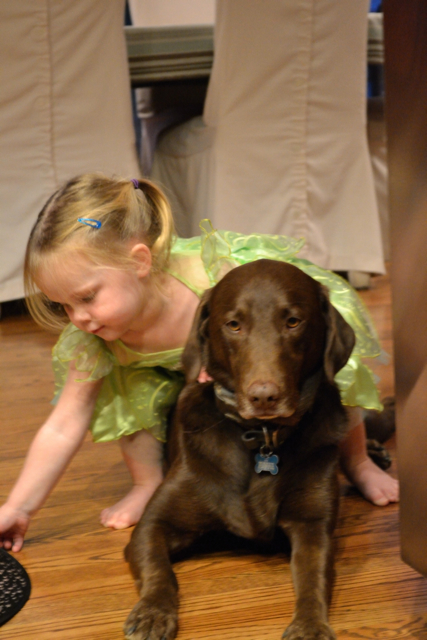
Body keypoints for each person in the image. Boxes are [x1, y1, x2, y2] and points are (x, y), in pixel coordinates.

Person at [0, 173, 398, 553]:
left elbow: (259, 326)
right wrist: (18, 508)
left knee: (334, 376)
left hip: (249, 356)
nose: (79, 318)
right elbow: (63, 424)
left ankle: (358, 460)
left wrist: (216, 353)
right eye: (64, 305)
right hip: (168, 381)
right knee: (129, 403)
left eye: (87, 297)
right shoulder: (93, 336)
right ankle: (147, 483)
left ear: (139, 262)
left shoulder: (208, 282)